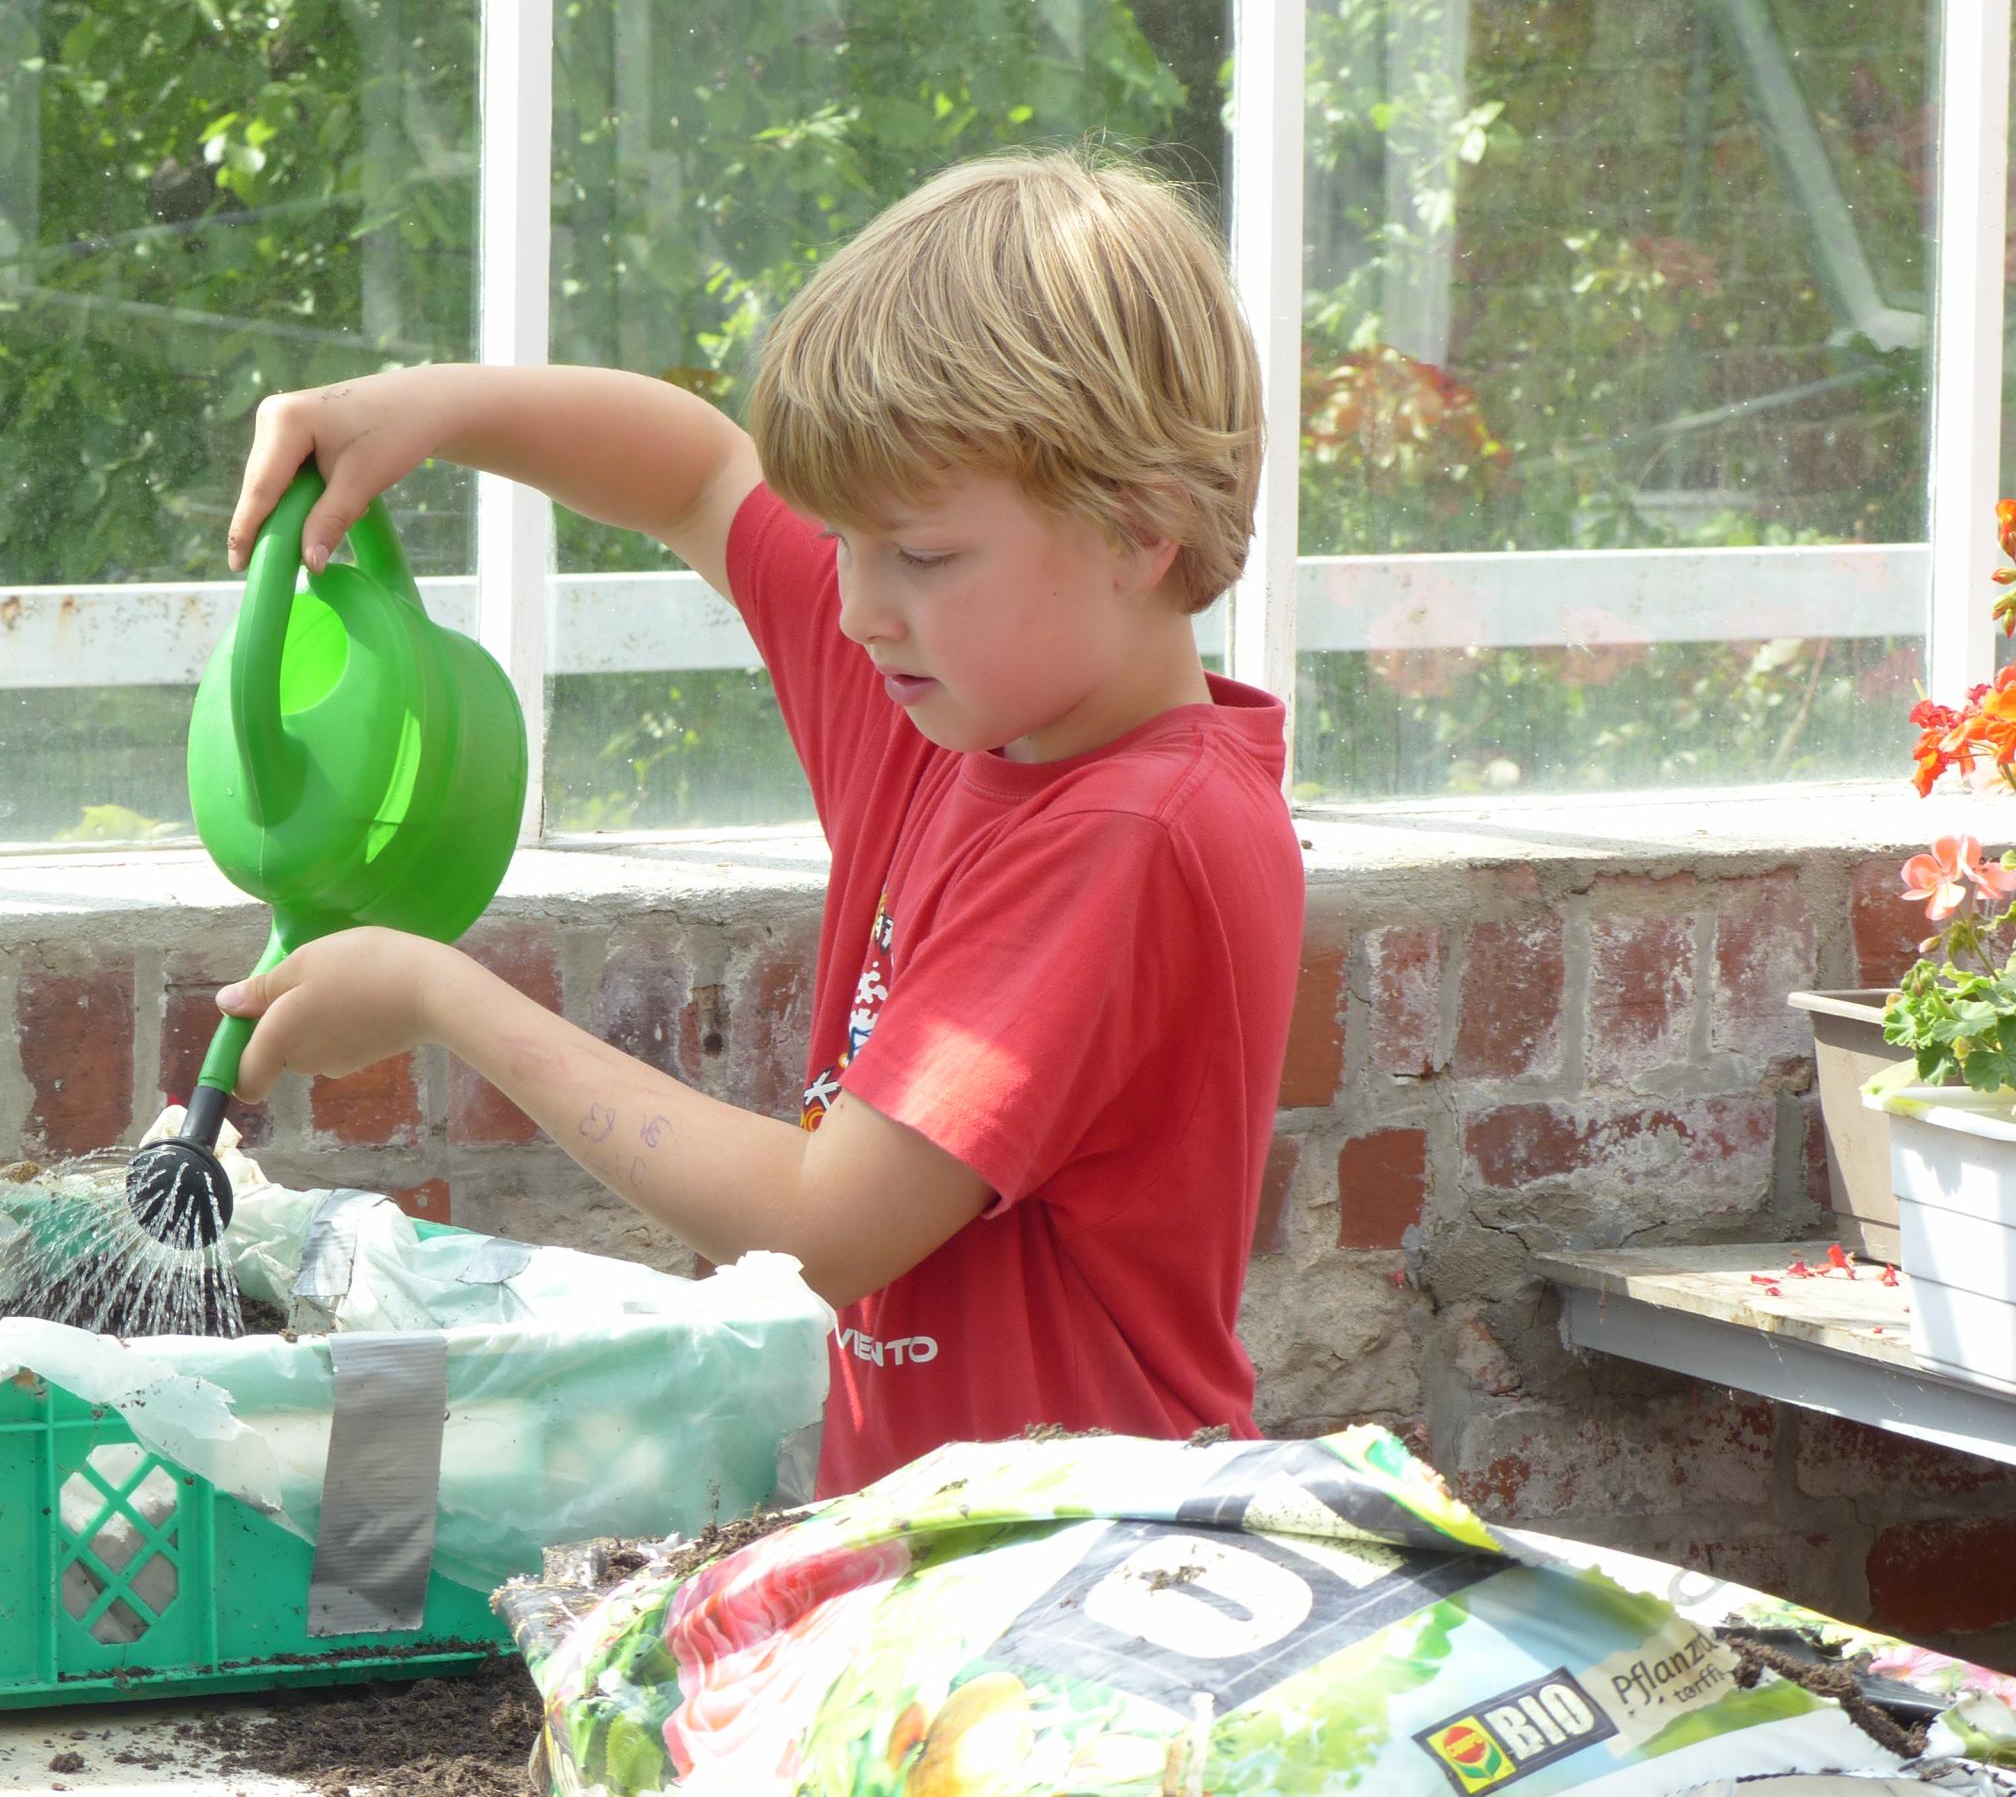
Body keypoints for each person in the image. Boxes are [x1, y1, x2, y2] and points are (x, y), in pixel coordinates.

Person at [213, 146, 1305, 1498]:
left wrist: (441, 996)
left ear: (1141, 532)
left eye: (920, 552)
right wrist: (427, 408)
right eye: (841, 539)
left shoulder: (1128, 835)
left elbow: (821, 1226)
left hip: (1089, 1569)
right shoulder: (957, 697)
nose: (856, 606)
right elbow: (696, 481)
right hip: (941, 1561)